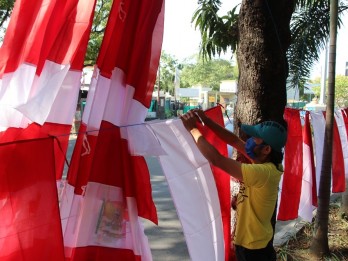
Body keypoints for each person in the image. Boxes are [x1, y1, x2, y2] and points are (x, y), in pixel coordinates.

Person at [180, 109, 287, 261]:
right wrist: (207, 121)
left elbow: (217, 159)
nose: (249, 140)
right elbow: (235, 141)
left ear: (266, 149)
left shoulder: (263, 172)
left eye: (255, 138)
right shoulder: (267, 162)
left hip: (254, 250)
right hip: (254, 243)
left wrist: (193, 129)